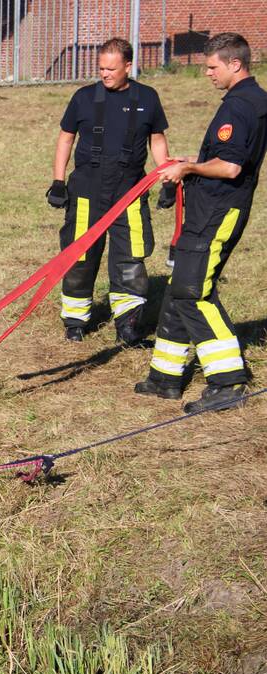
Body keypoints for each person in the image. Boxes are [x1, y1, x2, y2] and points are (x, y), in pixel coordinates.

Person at [135, 32, 267, 413]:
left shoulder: (239, 108)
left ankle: (228, 382)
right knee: (181, 288)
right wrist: (190, 165)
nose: (207, 73)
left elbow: (229, 165)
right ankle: (165, 378)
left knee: (194, 292)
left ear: (235, 64)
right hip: (207, 209)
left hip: (216, 213)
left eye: (212, 66)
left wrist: (189, 167)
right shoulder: (252, 100)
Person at [47, 38, 172, 345]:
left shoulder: (148, 97)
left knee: (130, 258)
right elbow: (66, 138)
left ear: (128, 67)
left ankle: (128, 325)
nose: (104, 74)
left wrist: (166, 178)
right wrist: (58, 181)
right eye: (101, 68)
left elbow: (157, 139)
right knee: (79, 255)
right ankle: (75, 321)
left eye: (111, 69)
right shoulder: (84, 97)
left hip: (129, 192)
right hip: (86, 190)